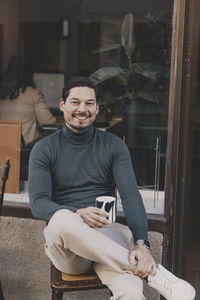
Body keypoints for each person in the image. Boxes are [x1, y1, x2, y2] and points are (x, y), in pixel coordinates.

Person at [28, 76, 195, 300]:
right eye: (75, 102)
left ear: (97, 109)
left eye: (89, 103)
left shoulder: (113, 145)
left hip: (106, 236)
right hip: (68, 250)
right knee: (62, 219)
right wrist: (78, 212)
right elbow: (38, 204)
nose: (82, 109)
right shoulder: (44, 148)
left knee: (131, 292)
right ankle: (153, 274)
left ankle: (142, 269)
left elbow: (130, 196)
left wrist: (142, 244)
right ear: (62, 105)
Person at [0, 56, 56, 146]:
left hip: (4, 149)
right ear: (29, 74)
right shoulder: (33, 94)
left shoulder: (2, 94)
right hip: (25, 150)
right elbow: (48, 123)